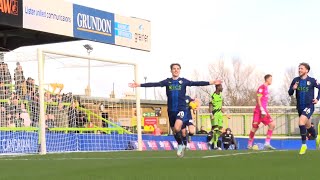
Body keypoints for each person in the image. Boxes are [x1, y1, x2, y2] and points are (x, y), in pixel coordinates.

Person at [129, 63, 220, 157]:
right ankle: (180, 144)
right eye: (174, 69)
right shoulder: (167, 82)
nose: (176, 70)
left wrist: (211, 82)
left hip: (180, 109)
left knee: (177, 127)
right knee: (174, 131)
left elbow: (196, 83)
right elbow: (155, 84)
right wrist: (139, 85)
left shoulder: (183, 81)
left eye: (177, 69)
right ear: (171, 70)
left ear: (180, 70)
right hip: (171, 110)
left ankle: (183, 143)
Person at [288, 62, 320, 155]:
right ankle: (316, 137)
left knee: (301, 122)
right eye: (299, 68)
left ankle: (304, 145)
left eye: (301, 68)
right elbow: (289, 93)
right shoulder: (295, 80)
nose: (299, 70)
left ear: (307, 70)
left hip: (309, 106)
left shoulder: (312, 80)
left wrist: (317, 99)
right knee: (308, 126)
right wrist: (293, 88)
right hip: (300, 107)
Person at [248, 74, 276, 150]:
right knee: (254, 128)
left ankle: (267, 143)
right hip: (258, 111)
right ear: (267, 79)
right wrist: (261, 109)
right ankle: (249, 144)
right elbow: (258, 98)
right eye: (271, 79)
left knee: (272, 124)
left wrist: (264, 110)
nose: (271, 80)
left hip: (264, 111)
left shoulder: (266, 88)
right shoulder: (262, 87)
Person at [208, 82, 230, 149]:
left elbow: (221, 107)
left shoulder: (221, 95)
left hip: (220, 114)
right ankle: (215, 145)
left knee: (220, 131)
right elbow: (210, 105)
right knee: (215, 130)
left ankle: (211, 142)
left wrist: (226, 114)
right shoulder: (213, 95)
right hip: (214, 114)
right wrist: (211, 114)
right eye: (221, 86)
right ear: (218, 87)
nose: (222, 88)